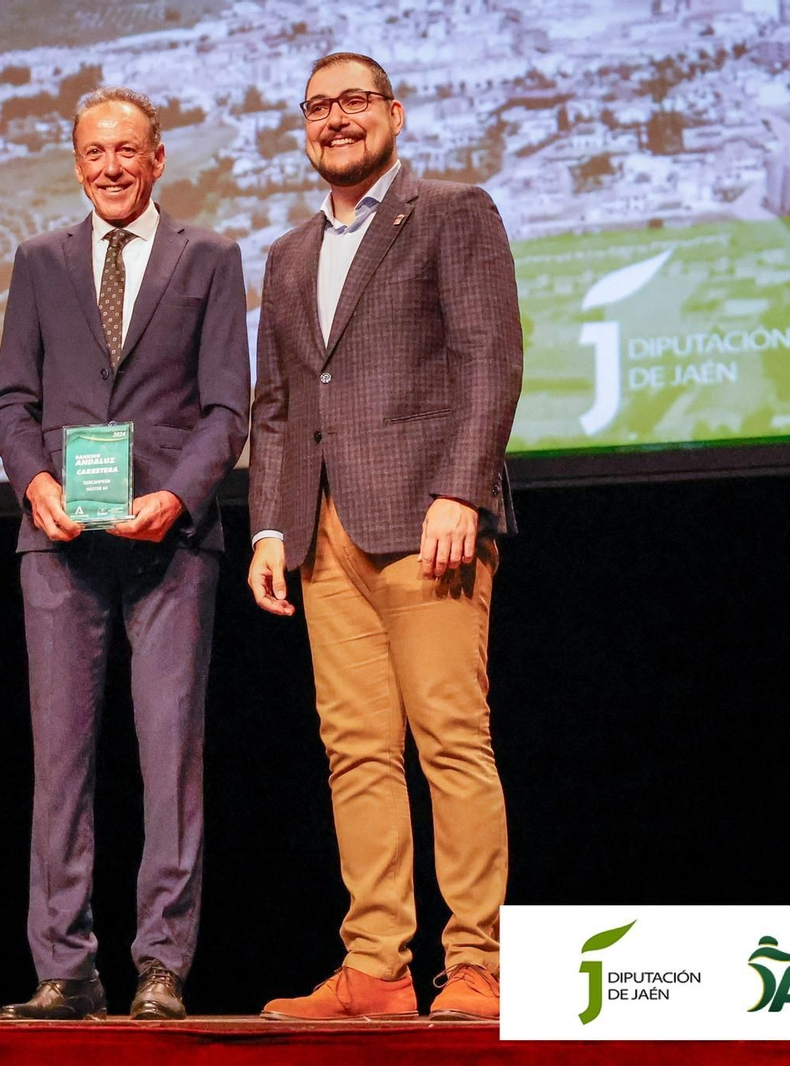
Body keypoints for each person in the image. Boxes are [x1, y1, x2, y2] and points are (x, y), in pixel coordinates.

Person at [247, 53, 524, 1022]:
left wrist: (461, 490)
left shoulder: (453, 212)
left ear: (394, 114)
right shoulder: (285, 254)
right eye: (318, 108)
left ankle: (476, 964)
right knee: (355, 751)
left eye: (354, 102)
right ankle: (375, 966)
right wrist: (270, 528)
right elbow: (276, 405)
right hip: (325, 536)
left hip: (427, 522)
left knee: (451, 739)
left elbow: (490, 361)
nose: (336, 120)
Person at [0, 86, 249, 1021]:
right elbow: (12, 403)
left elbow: (228, 407)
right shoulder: (40, 261)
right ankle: (66, 969)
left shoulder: (209, 259)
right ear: (76, 162)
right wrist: (37, 485)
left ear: (157, 159)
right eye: (94, 151)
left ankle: (161, 968)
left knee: (169, 755)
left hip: (171, 545)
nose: (110, 166)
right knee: (60, 762)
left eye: (127, 150)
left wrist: (177, 495)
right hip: (59, 545)